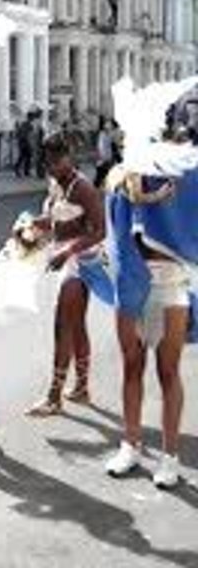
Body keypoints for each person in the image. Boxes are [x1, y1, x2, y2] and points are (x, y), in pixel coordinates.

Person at [102, 166, 198, 489]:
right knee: (131, 366)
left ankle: (170, 457)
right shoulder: (123, 172)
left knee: (168, 371)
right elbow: (113, 195)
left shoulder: (183, 171)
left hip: (171, 282)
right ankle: (131, 444)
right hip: (131, 280)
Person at [24, 134, 105, 417]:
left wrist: (66, 253)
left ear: (69, 158)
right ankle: (82, 387)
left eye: (57, 162)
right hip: (64, 257)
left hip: (82, 262)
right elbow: (57, 220)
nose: (52, 168)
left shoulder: (83, 188)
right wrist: (35, 225)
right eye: (48, 162)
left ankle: (54, 396)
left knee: (63, 325)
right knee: (77, 323)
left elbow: (100, 231)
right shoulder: (56, 185)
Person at [94, 116, 116, 188]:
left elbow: (108, 148)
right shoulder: (102, 135)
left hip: (106, 161)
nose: (109, 124)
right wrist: (105, 159)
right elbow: (101, 148)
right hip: (103, 161)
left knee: (104, 178)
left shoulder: (107, 134)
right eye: (107, 122)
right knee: (100, 178)